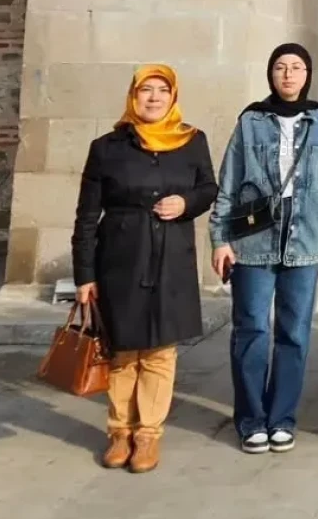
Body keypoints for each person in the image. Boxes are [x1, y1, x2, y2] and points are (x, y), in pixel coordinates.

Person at [71, 65, 217, 474]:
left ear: (173, 97)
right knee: (123, 350)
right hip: (121, 256)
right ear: (132, 96)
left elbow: (209, 188)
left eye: (162, 90)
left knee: (160, 350)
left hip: (171, 256)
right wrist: (84, 274)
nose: (153, 98)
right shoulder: (107, 147)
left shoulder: (192, 140)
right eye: (145, 90)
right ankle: (119, 430)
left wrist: (186, 204)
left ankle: (148, 435)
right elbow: (85, 216)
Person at [210, 44, 318, 456]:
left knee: (294, 333)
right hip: (254, 242)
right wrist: (219, 239)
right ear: (271, 74)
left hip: (304, 243)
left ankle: (282, 418)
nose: (289, 74)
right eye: (281, 67)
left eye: (297, 67)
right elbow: (229, 182)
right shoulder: (250, 121)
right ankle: (251, 419)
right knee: (251, 328)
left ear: (307, 75)